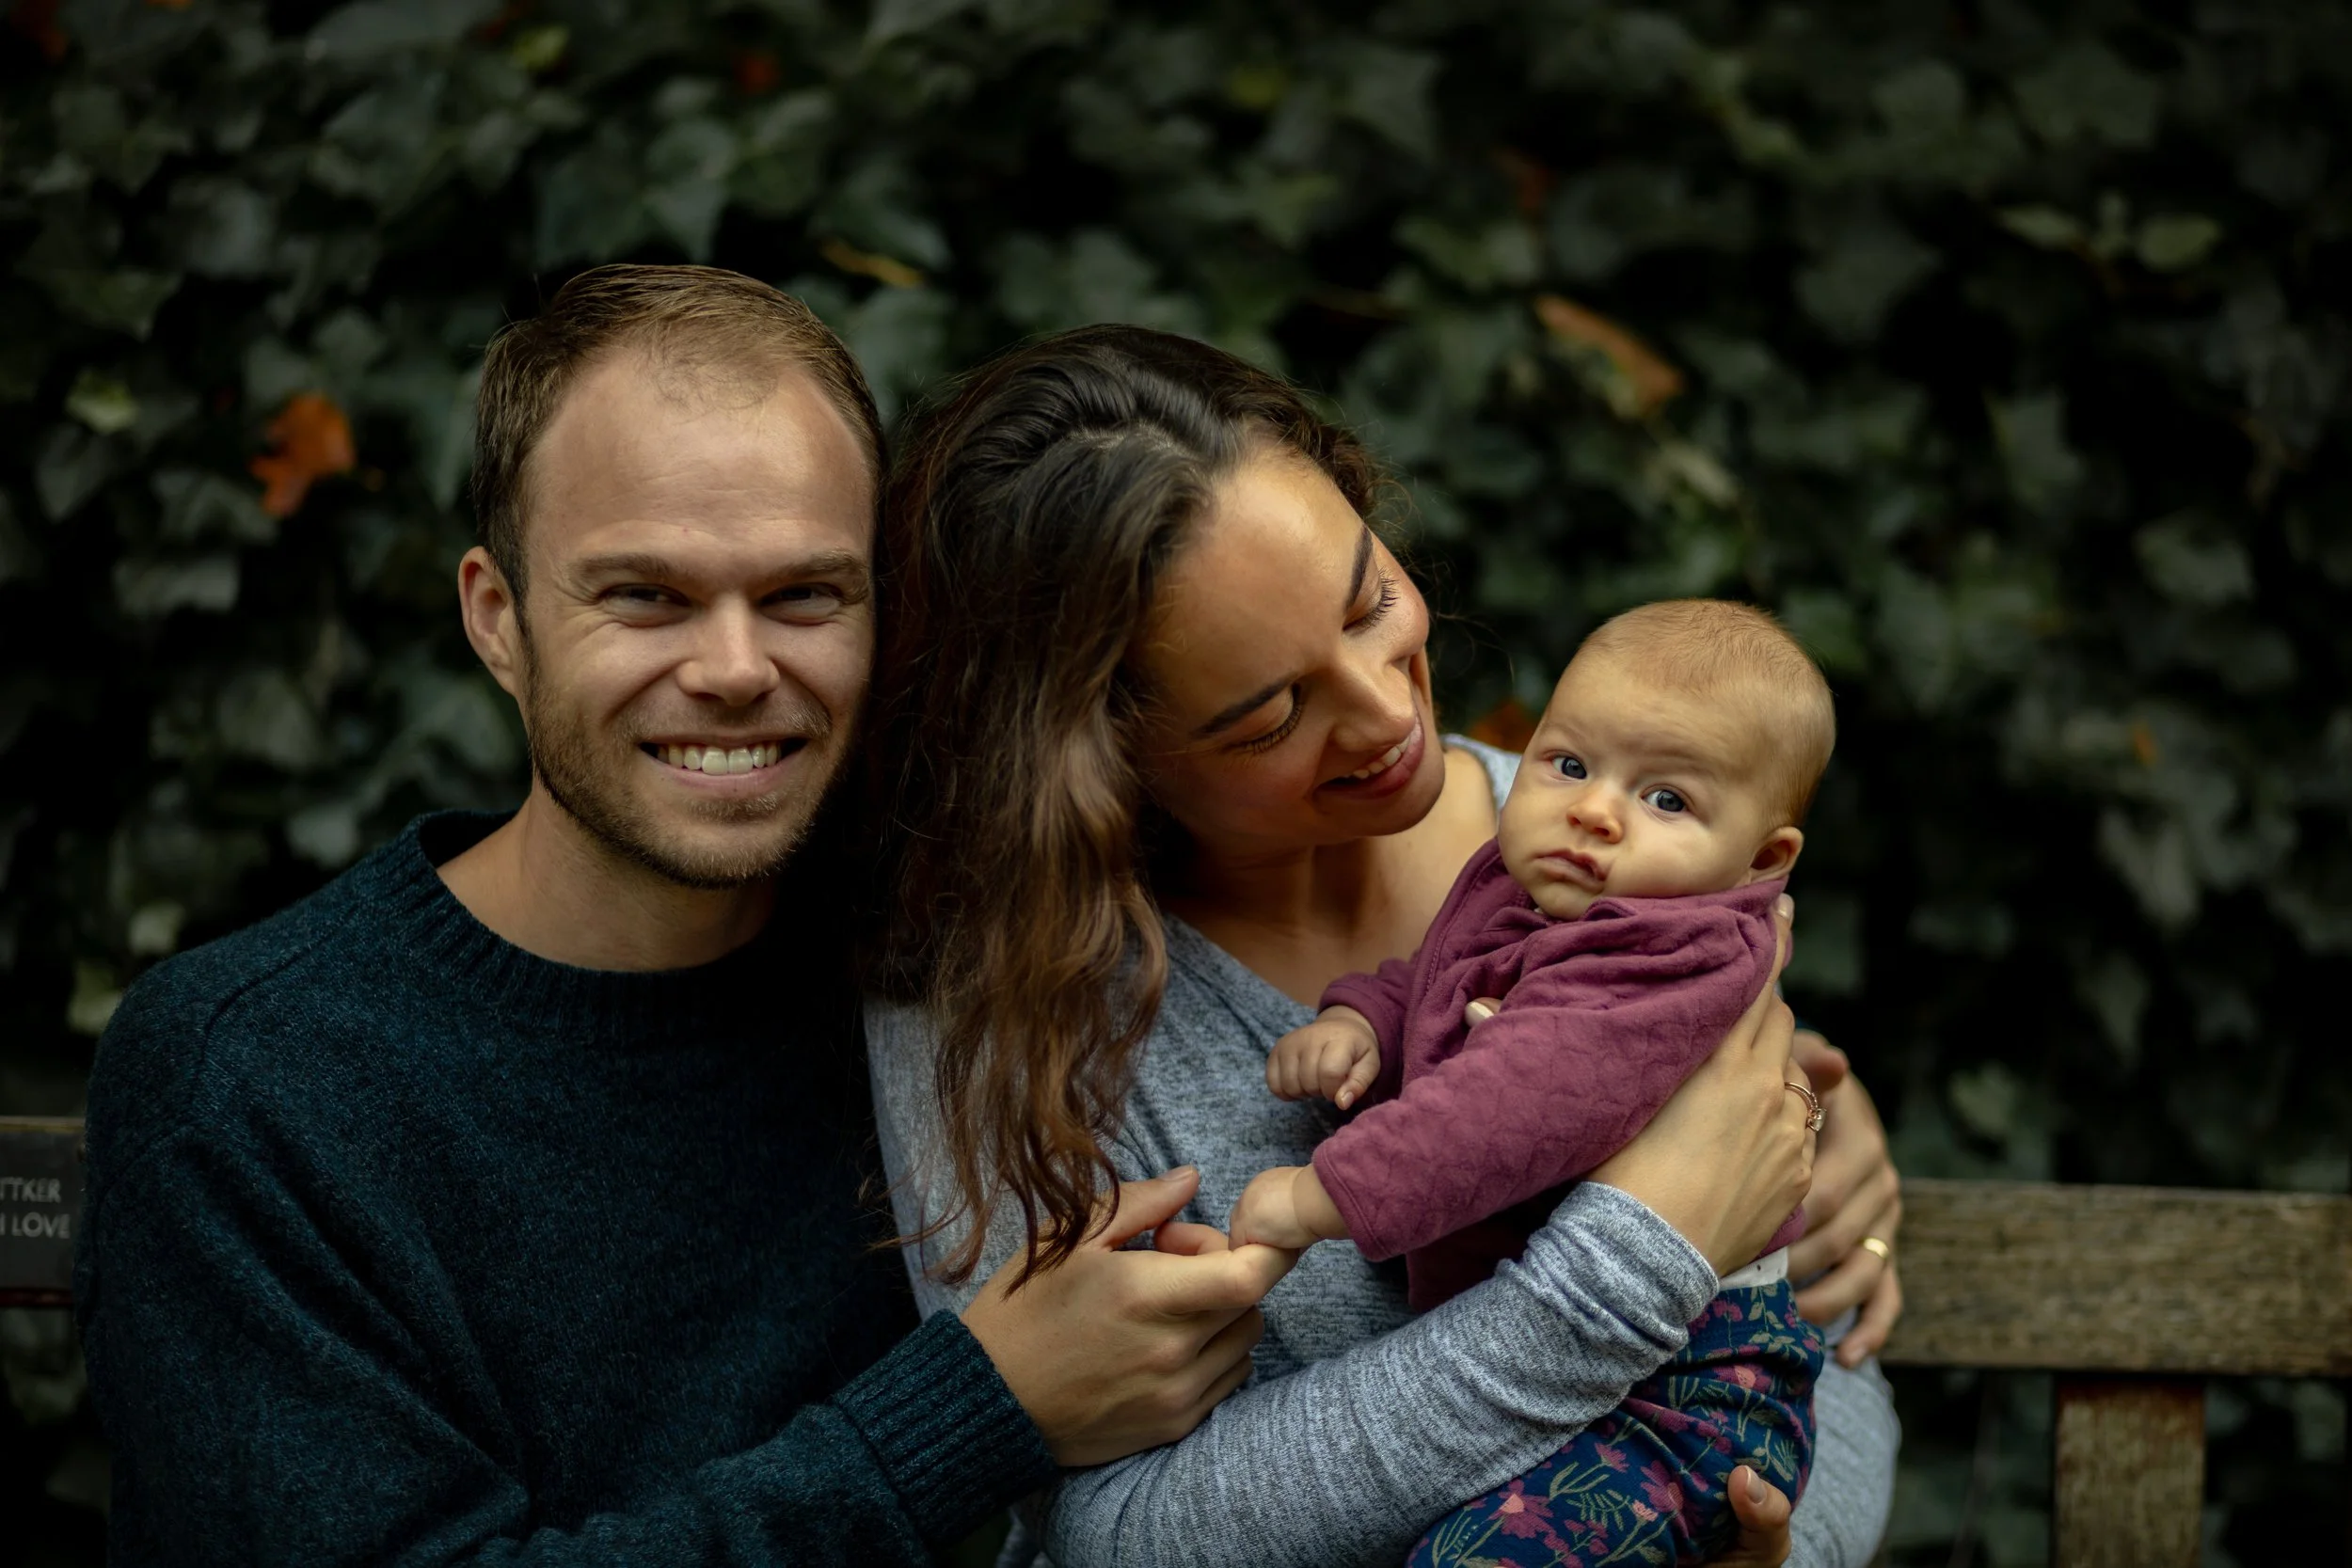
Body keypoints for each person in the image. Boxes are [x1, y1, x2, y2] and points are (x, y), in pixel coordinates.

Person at [73, 267, 1293, 1565]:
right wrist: (968, 1410)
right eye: (646, 595)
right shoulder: (252, 1078)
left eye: (804, 595)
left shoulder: (950, 967)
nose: (733, 669)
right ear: (498, 616)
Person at [866, 325, 1903, 1568]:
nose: (1387, 709)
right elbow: (1117, 1533)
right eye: (1270, 714)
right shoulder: (999, 1011)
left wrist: (1774, 1548)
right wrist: (1625, 1261)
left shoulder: (1625, 842)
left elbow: (1826, 1371)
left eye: (1369, 599)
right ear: (1095, 769)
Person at [1230, 599, 1842, 1566]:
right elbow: (1441, 980)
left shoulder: (1672, 952)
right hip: (1573, 1378)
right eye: (1568, 763)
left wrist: (1323, 1193)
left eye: (1667, 799)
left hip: (1685, 1395)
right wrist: (1364, 1022)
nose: (1593, 808)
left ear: (1761, 859)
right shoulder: (1535, 886)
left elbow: (1515, 1102)